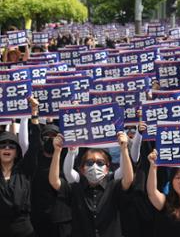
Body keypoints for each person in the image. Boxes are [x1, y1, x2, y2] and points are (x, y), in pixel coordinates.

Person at [48, 132, 134, 237]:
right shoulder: (76, 188)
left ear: (107, 169)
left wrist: (124, 149)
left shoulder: (113, 186)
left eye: (100, 163)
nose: (94, 166)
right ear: (82, 169)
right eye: (89, 163)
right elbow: (54, 181)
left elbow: (128, 179)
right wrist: (57, 151)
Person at [0, 98, 40, 237]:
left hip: (23, 230)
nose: (7, 148)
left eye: (11, 145)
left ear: (17, 151)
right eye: (2, 145)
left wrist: (34, 113)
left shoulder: (24, 170)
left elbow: (35, 145)